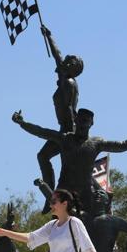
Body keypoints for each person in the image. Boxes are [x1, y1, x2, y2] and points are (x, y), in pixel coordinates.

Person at [13, 108, 127, 217]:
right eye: (80, 120)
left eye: (86, 121)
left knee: (95, 224)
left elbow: (123, 145)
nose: (82, 124)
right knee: (57, 227)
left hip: (85, 193)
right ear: (75, 120)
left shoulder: (97, 143)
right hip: (64, 190)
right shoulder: (65, 138)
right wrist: (22, 123)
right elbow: (42, 132)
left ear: (91, 123)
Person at [37, 25, 84, 213]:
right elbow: (58, 56)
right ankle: (50, 194)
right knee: (43, 156)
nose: (65, 61)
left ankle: (53, 195)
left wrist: (76, 137)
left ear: (75, 69)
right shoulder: (66, 79)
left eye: (70, 61)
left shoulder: (69, 82)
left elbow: (58, 58)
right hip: (63, 130)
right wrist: (49, 36)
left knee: (47, 158)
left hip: (68, 131)